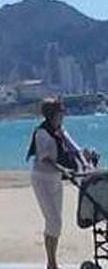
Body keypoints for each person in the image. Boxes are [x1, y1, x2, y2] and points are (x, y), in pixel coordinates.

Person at [27, 98, 92, 269]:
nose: (63, 115)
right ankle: (52, 263)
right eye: (60, 112)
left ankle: (52, 262)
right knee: (53, 221)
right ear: (52, 114)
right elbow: (45, 159)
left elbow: (73, 147)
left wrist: (84, 158)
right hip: (42, 179)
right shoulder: (42, 133)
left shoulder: (59, 130)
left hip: (55, 179)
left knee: (56, 222)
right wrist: (64, 169)